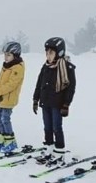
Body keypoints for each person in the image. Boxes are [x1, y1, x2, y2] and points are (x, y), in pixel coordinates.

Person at [32, 37, 76, 166]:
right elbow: (39, 83)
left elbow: (71, 88)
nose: (48, 55)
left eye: (51, 53)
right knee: (47, 127)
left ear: (59, 53)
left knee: (57, 127)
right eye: (47, 52)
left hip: (58, 104)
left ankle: (59, 152)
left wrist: (66, 104)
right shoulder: (45, 66)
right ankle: (49, 149)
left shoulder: (67, 67)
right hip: (45, 102)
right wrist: (35, 99)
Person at [0, 41, 25, 152]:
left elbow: (12, 84)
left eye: (8, 55)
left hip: (9, 99)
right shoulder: (6, 66)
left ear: (15, 55)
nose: (5, 57)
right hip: (1, 98)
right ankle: (2, 139)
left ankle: (10, 141)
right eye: (5, 54)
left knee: (5, 119)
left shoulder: (18, 68)